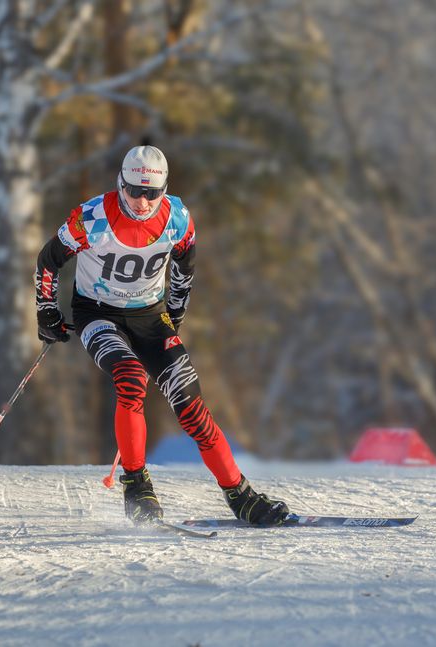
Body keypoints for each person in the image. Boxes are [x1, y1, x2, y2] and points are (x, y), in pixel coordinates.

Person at [34, 145, 289, 526]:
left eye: (151, 193)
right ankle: (137, 485)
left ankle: (240, 495)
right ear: (120, 184)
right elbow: (48, 260)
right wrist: (48, 310)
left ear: (164, 190)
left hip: (151, 317)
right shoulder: (91, 218)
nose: (140, 201)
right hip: (98, 314)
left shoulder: (178, 219)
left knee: (190, 406)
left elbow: (185, 267)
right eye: (133, 190)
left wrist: (175, 314)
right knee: (131, 377)